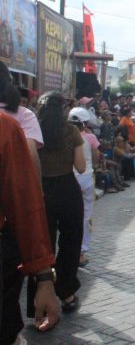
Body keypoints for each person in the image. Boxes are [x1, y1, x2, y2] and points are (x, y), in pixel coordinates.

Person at [0, 114, 60, 345]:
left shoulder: (6, 128)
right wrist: (44, 279)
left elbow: (25, 207)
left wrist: (44, 278)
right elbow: (25, 207)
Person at [33, 91, 86, 314]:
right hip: (67, 189)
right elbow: (81, 167)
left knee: (42, 245)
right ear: (63, 108)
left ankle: (39, 300)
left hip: (41, 189)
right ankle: (66, 293)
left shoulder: (34, 131)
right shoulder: (71, 130)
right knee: (71, 242)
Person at [67, 107, 101, 268]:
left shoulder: (65, 137)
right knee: (85, 216)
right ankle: (81, 253)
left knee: (69, 215)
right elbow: (96, 156)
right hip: (86, 177)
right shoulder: (90, 137)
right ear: (85, 123)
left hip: (68, 178)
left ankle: (68, 251)